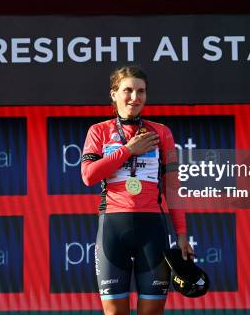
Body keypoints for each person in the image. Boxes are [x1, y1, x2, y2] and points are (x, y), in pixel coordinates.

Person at [81, 65, 193, 315]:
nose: (135, 97)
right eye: (127, 90)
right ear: (114, 93)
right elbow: (88, 176)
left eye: (140, 91)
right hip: (112, 227)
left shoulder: (161, 132)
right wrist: (128, 150)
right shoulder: (98, 131)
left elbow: (173, 187)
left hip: (152, 229)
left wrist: (182, 234)